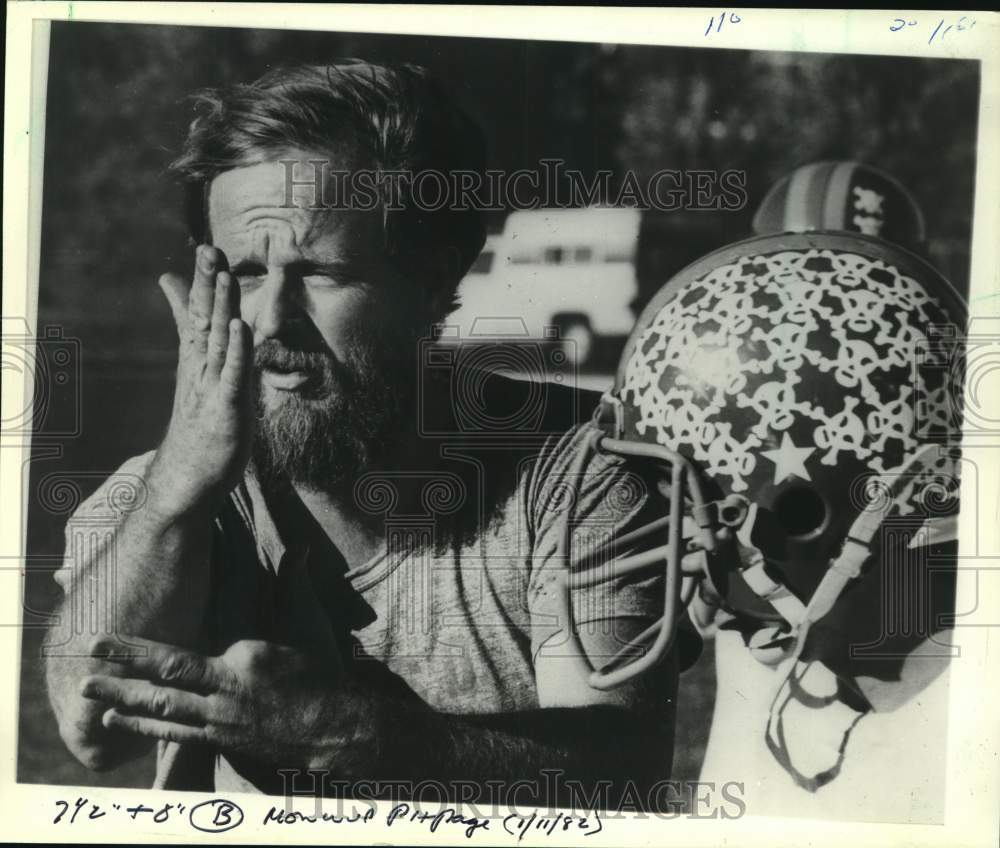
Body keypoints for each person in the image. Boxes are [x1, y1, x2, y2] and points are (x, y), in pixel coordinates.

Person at [43, 60, 688, 807]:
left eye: (322, 272)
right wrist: (174, 498)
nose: (272, 320)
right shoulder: (159, 496)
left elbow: (622, 783)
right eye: (246, 274)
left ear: (433, 278)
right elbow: (93, 732)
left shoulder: (575, 472)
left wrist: (347, 738)